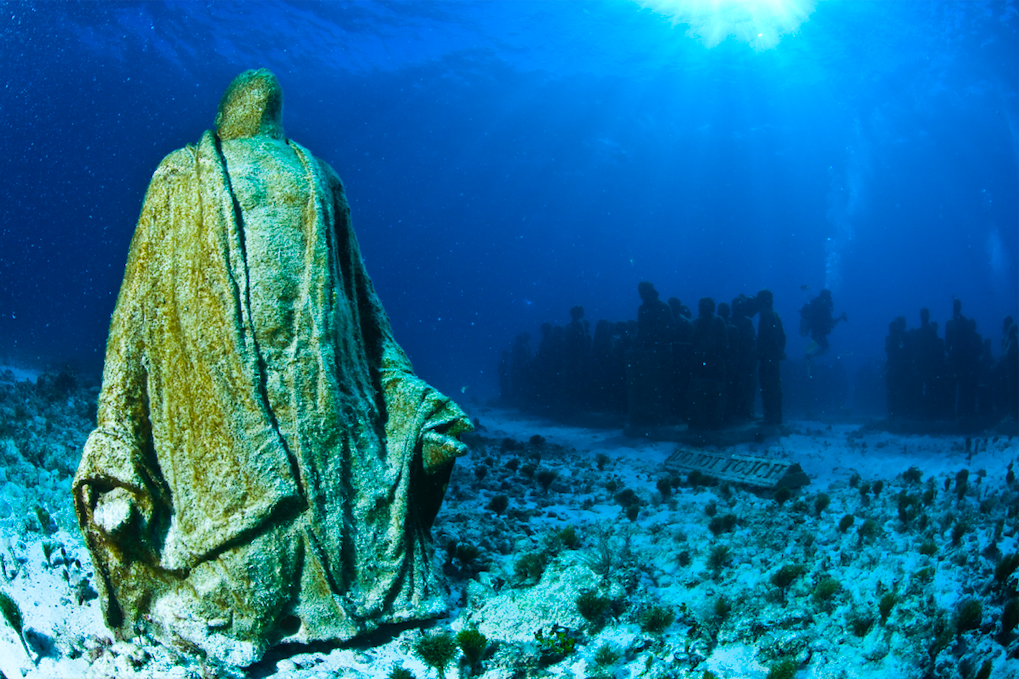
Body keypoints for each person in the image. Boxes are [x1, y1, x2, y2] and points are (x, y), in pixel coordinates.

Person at [73, 70, 472, 666]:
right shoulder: (181, 177)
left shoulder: (321, 182)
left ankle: (319, 592)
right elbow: (136, 319)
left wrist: (412, 405)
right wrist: (119, 454)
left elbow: (364, 317)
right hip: (224, 430)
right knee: (245, 566)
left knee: (331, 537)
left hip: (325, 424)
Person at [757, 289, 786, 425]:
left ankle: (770, 418)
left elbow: (768, 338)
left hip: (767, 357)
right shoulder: (775, 314)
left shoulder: (766, 315)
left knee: (768, 387)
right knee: (774, 387)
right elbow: (783, 337)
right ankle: (775, 417)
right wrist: (779, 352)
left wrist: (764, 352)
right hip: (772, 357)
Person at [798, 289, 847, 356]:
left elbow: (828, 322)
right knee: (826, 348)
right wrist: (841, 318)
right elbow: (831, 322)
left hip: (815, 332)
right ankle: (810, 357)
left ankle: (809, 354)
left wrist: (840, 318)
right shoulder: (823, 308)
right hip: (817, 333)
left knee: (816, 343)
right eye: (829, 298)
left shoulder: (816, 305)